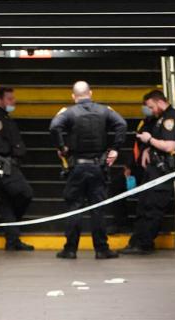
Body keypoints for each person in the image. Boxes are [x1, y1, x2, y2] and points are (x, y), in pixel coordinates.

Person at [49, 81, 126, 259]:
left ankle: (70, 249)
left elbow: (54, 127)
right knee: (97, 209)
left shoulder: (68, 113)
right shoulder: (104, 110)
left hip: (77, 167)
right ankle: (101, 249)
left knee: (75, 207)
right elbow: (121, 124)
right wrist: (115, 149)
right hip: (98, 167)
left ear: (73, 96)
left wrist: (62, 147)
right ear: (90, 93)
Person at [120, 90, 175, 255]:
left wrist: (149, 140)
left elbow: (170, 146)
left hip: (162, 172)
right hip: (153, 169)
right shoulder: (158, 119)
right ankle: (137, 242)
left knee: (153, 208)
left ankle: (144, 243)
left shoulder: (171, 118)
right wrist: (148, 148)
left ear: (159, 102)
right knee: (143, 206)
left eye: (151, 106)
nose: (150, 110)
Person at [0, 86, 34, 251]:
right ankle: (13, 229)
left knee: (8, 201)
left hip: (9, 164)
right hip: (2, 165)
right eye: (9, 99)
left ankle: (12, 239)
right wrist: (14, 151)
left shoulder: (6, 119)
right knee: (25, 193)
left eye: (13, 98)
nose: (13, 101)